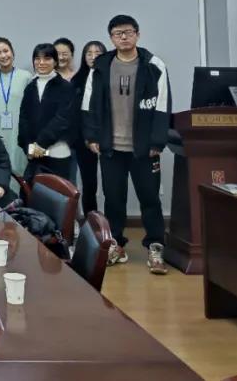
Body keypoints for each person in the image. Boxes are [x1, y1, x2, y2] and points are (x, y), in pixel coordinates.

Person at [82, 14, 171, 275]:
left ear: (137, 34)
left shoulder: (154, 65)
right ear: (111, 38)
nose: (123, 37)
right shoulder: (101, 65)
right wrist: (92, 137)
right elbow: (89, 103)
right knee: (113, 199)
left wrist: (157, 141)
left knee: (150, 198)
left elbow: (163, 104)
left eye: (128, 32)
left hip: (144, 148)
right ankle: (116, 245)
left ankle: (155, 246)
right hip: (111, 147)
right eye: (118, 33)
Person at [18, 43, 76, 183]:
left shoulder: (65, 87)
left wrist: (41, 143)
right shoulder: (30, 87)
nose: (41, 62)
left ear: (55, 61)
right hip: (35, 153)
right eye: (37, 59)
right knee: (32, 193)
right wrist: (28, 146)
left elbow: (63, 119)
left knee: (57, 193)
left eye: (47, 58)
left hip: (57, 151)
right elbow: (24, 119)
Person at [0, 36, 33, 176]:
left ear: (12, 52)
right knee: (1, 167)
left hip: (20, 132)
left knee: (21, 168)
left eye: (6, 51)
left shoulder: (26, 77)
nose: (3, 56)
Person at [73, 40, 107, 218]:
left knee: (111, 183)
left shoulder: (110, 77)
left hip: (109, 137)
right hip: (83, 139)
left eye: (98, 53)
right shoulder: (77, 79)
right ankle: (90, 218)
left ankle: (109, 222)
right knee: (89, 182)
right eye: (89, 53)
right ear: (83, 56)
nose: (93, 57)